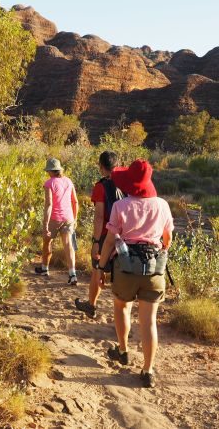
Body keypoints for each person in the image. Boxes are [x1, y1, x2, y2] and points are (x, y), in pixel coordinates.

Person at [97, 159, 173, 388]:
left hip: (126, 268)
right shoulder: (162, 205)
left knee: (122, 306)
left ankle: (123, 350)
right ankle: (148, 370)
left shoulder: (121, 206)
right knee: (149, 321)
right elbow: (167, 239)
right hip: (154, 269)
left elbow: (110, 241)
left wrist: (101, 268)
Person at [75, 151, 124, 318]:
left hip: (105, 234)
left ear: (101, 167)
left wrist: (96, 241)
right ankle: (122, 311)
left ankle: (91, 305)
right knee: (121, 273)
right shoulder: (127, 184)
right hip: (125, 235)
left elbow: (99, 217)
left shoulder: (100, 186)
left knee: (98, 269)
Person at [35, 158, 79, 285]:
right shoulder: (68, 181)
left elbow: (49, 204)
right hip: (68, 218)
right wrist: (74, 219)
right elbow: (75, 201)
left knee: (47, 240)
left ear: (50, 171)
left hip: (55, 217)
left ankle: (44, 268)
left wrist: (45, 224)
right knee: (68, 245)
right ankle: (72, 274)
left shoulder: (49, 183)